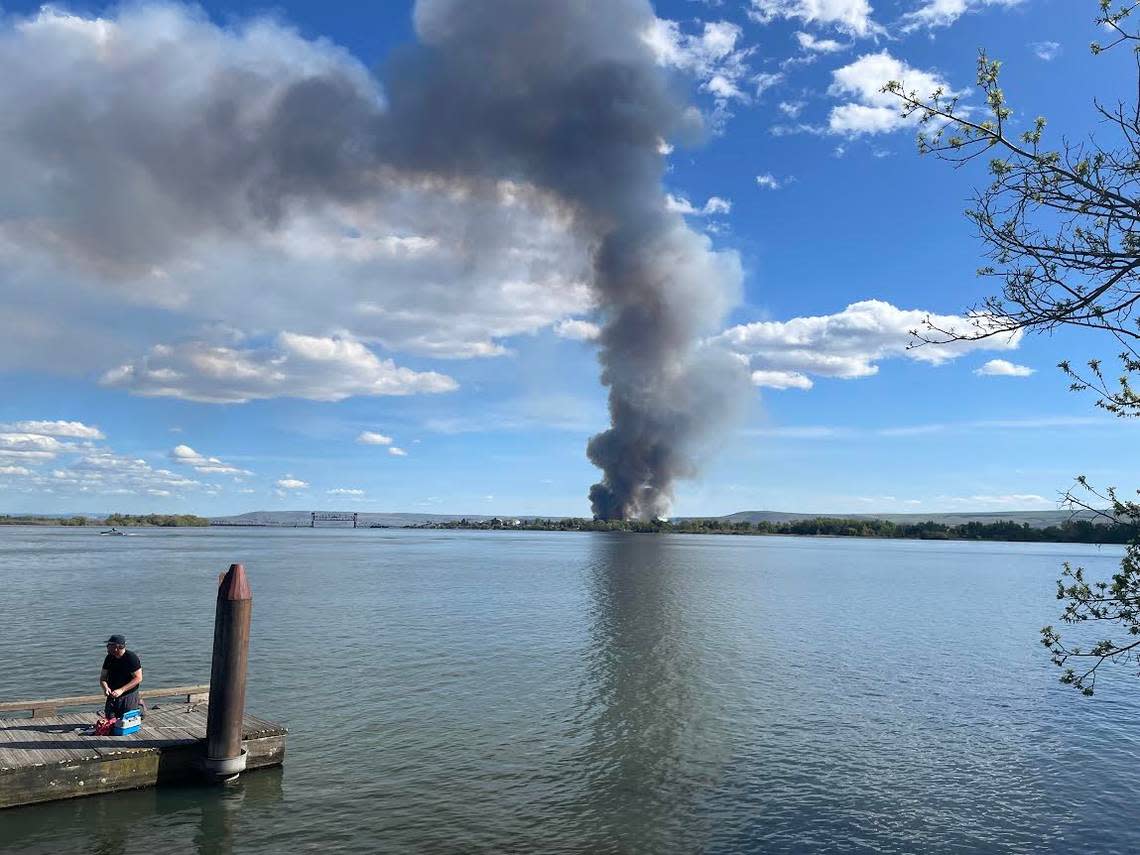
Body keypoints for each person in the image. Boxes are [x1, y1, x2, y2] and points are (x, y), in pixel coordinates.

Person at [100, 634, 142, 720]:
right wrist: (105, 688)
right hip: (113, 692)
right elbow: (103, 677)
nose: (107, 647)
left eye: (109, 645)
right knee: (111, 718)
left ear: (116, 647)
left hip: (128, 692)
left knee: (126, 718)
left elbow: (138, 678)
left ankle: (139, 705)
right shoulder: (109, 658)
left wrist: (121, 690)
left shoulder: (131, 658)